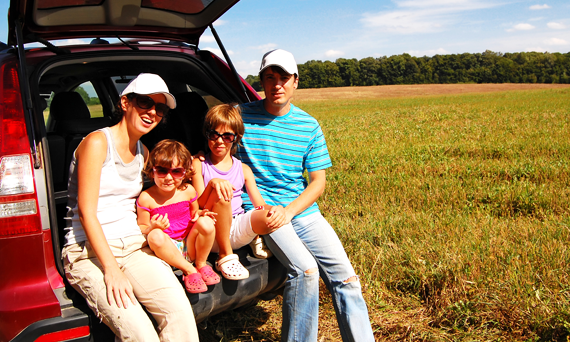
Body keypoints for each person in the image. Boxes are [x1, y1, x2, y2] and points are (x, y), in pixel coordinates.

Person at [236, 49, 375, 342]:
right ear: (260, 81)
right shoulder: (239, 117)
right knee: (306, 272)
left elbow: (317, 183)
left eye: (284, 78)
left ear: (295, 82)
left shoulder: (308, 125)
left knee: (347, 279)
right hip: (265, 211)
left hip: (300, 212)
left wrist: (291, 211)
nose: (277, 85)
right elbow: (215, 148)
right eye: (270, 77)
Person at [62, 73, 199, 341]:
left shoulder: (144, 152)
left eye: (159, 109)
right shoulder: (97, 143)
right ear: (125, 102)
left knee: (180, 314)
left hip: (135, 246)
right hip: (88, 253)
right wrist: (111, 269)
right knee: (140, 334)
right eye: (145, 103)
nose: (152, 112)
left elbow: (168, 185)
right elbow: (87, 212)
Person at [191, 103, 288, 280]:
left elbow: (259, 205)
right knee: (222, 194)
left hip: (235, 229)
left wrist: (276, 209)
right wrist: (213, 184)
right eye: (214, 134)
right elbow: (198, 205)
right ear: (207, 135)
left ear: (236, 138)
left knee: (269, 215)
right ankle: (225, 256)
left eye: (227, 136)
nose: (220, 141)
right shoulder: (199, 165)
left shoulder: (243, 169)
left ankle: (262, 240)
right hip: (210, 231)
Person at [136, 139, 219, 293]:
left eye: (176, 171)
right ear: (152, 171)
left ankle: (201, 264)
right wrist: (152, 227)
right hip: (167, 251)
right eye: (162, 171)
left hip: (190, 244)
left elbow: (195, 213)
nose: (168, 177)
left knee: (206, 222)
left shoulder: (187, 190)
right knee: (154, 235)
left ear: (185, 172)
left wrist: (201, 213)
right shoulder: (146, 198)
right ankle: (189, 270)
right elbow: (142, 226)